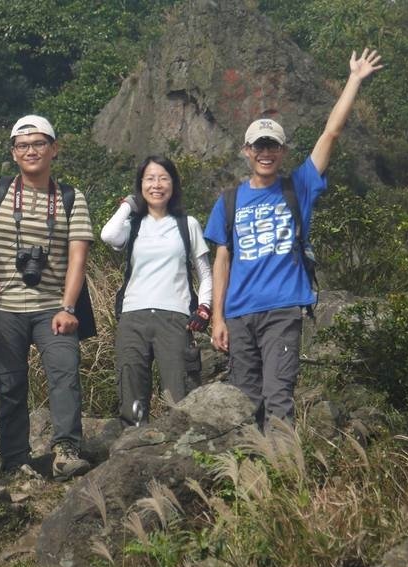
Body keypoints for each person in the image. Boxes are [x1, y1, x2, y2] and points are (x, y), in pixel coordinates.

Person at [205, 49, 384, 428]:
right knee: (244, 401)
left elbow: (330, 133)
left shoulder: (298, 187)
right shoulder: (229, 200)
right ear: (246, 152)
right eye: (259, 147)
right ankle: (252, 478)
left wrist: (353, 79)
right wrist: (217, 317)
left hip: (283, 310)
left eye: (272, 146)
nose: (265, 153)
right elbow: (222, 261)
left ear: (283, 152)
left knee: (278, 397)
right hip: (239, 315)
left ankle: (283, 474)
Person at [0, 115, 94, 481]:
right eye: (23, 145)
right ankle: (15, 462)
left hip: (52, 306)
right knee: (10, 384)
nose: (31, 151)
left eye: (39, 143)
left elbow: (78, 257)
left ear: (54, 149)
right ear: (14, 153)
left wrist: (68, 307)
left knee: (65, 373)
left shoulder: (71, 198)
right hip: (1, 308)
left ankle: (65, 451)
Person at [101, 155, 213, 426]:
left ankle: (183, 453)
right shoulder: (132, 226)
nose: (157, 184)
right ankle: (132, 447)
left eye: (163, 178)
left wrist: (205, 307)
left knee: (180, 394)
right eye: (149, 178)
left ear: (173, 184)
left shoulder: (188, 225)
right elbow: (107, 235)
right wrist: (129, 204)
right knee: (132, 394)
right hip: (133, 317)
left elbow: (206, 274)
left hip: (175, 318)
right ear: (140, 184)